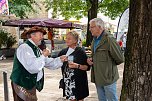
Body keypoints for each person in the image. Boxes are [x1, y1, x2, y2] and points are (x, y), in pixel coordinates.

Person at [10, 26, 67, 101]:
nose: (42, 37)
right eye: (40, 35)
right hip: (21, 83)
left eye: (42, 35)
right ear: (33, 35)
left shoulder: (37, 49)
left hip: (29, 83)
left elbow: (47, 62)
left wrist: (60, 60)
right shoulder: (24, 48)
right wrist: (43, 55)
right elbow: (33, 67)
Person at [87, 18, 124, 101]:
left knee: (112, 99)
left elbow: (120, 58)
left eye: (92, 27)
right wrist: (90, 60)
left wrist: (107, 67)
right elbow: (95, 55)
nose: (90, 29)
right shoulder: (94, 40)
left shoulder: (109, 39)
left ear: (99, 27)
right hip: (98, 77)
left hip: (108, 78)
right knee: (102, 99)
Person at [58, 30, 90, 101]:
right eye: (66, 38)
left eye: (69, 38)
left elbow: (87, 67)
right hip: (68, 82)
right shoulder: (63, 52)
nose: (66, 40)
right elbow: (56, 63)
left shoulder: (81, 52)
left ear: (75, 40)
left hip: (79, 83)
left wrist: (77, 66)